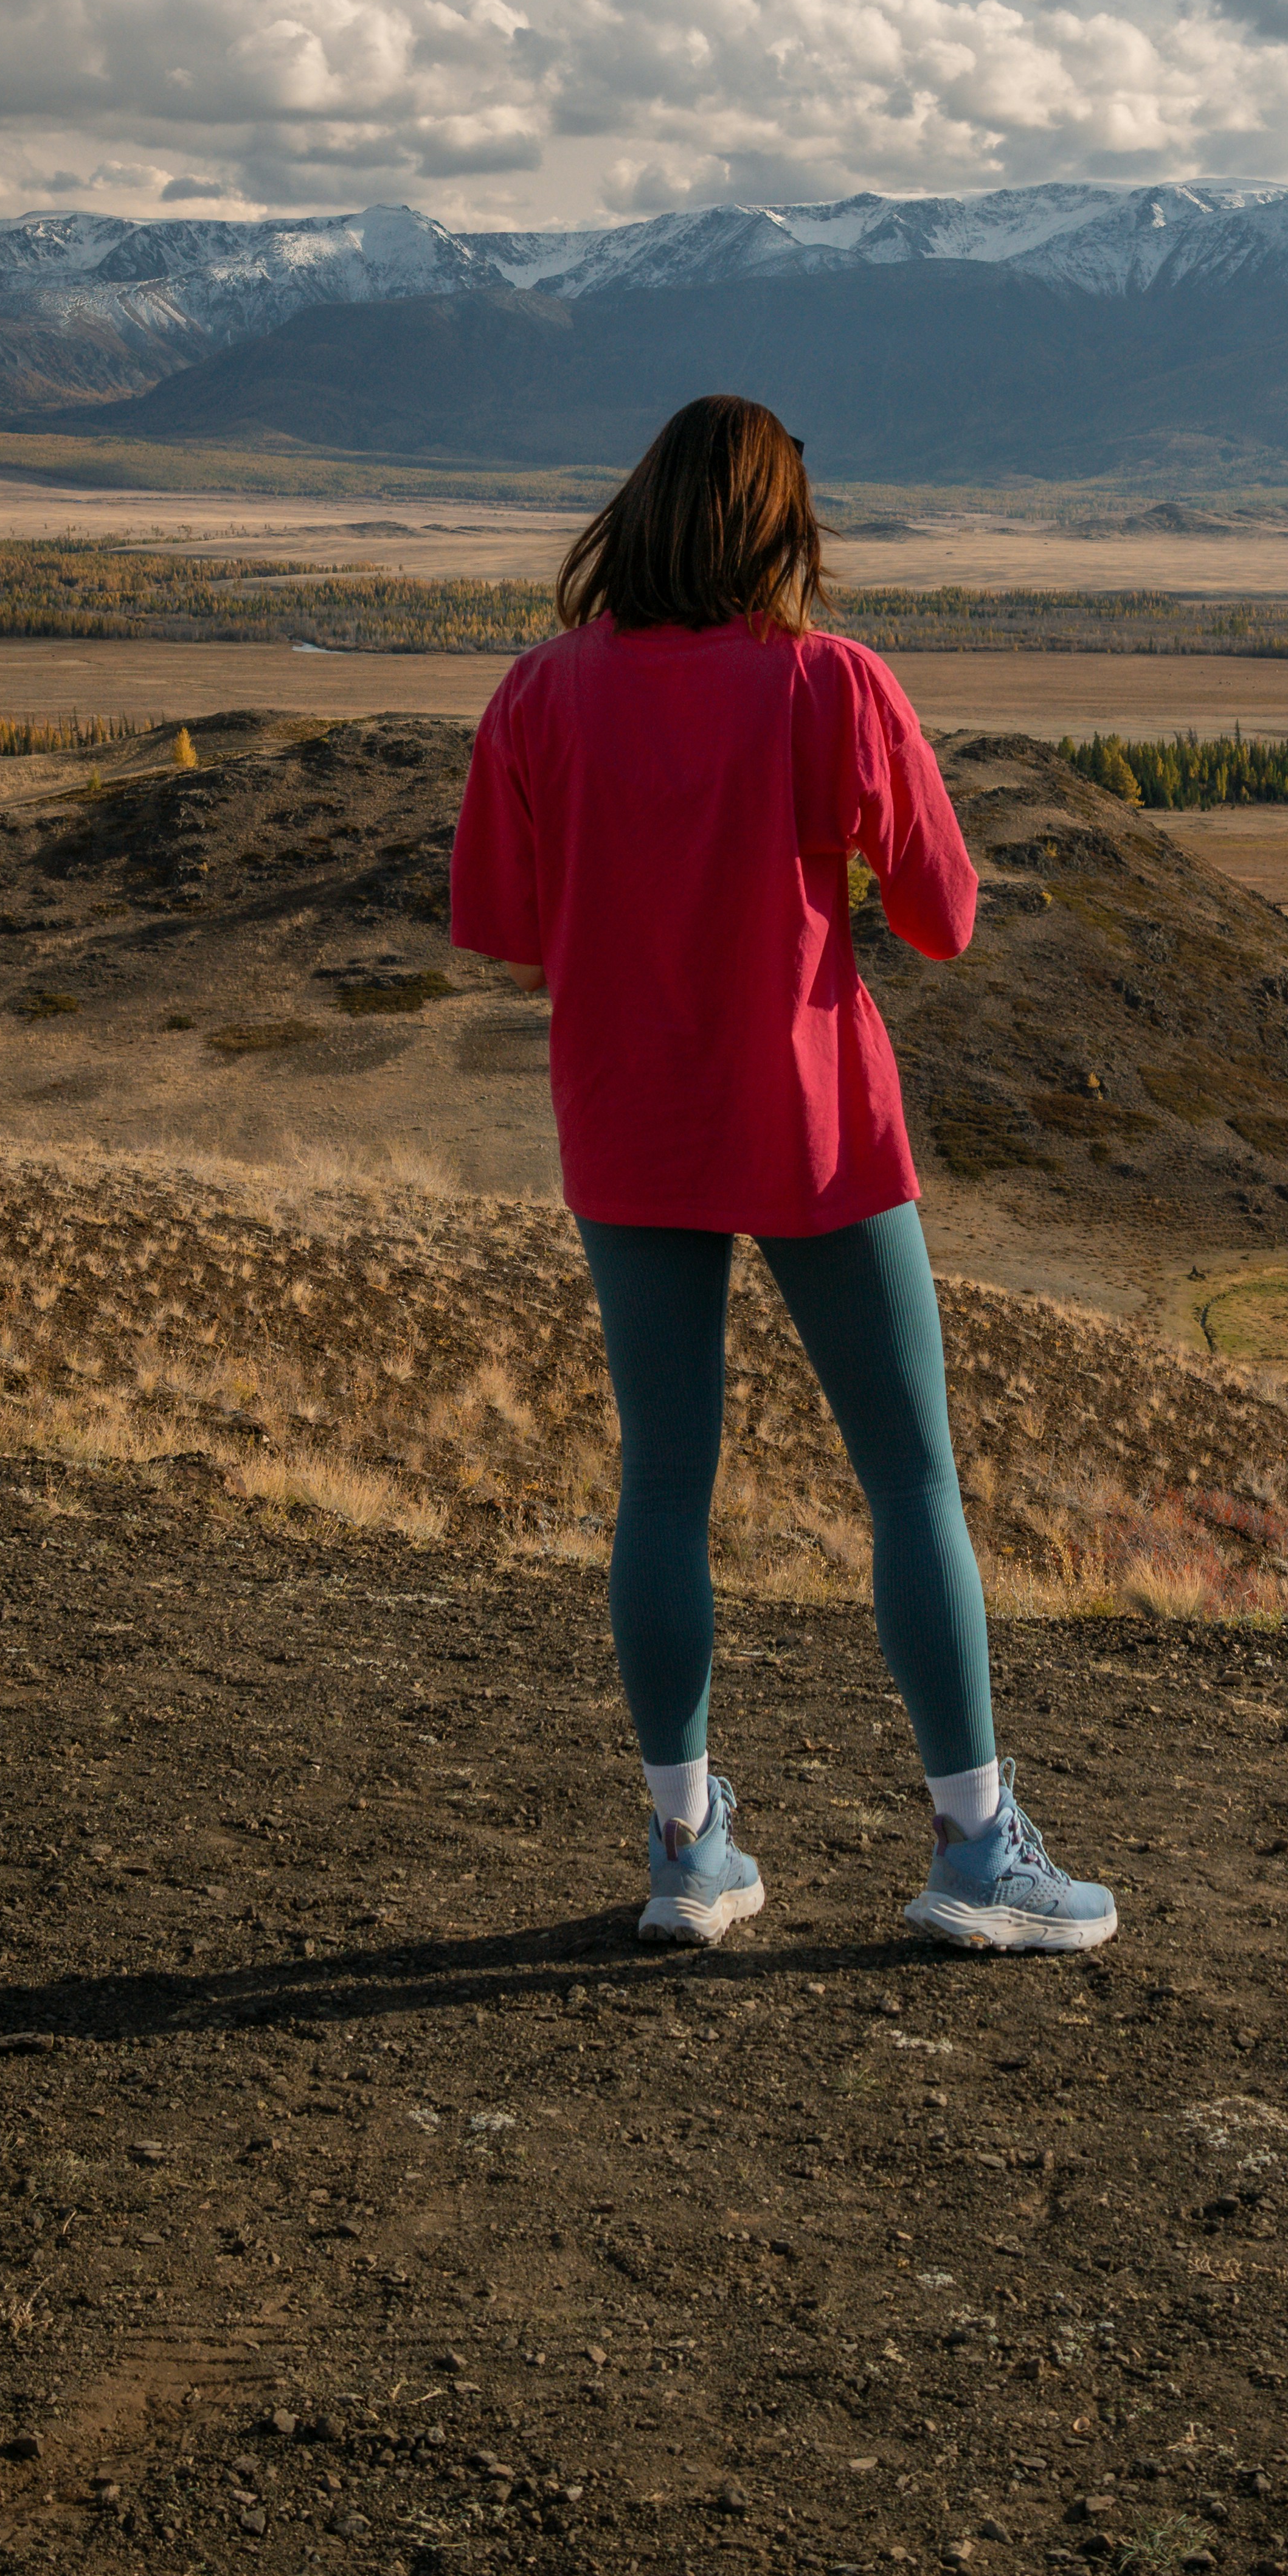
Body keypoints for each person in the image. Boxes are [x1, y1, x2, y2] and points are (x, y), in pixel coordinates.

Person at [449, 394, 1115, 1956]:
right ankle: (972, 1850)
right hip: (817, 1123)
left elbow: (505, 921)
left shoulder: (539, 691)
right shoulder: (832, 683)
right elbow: (946, 920)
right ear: (780, 529)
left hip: (630, 1123)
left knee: (661, 1483)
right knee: (908, 1480)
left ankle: (687, 1850)